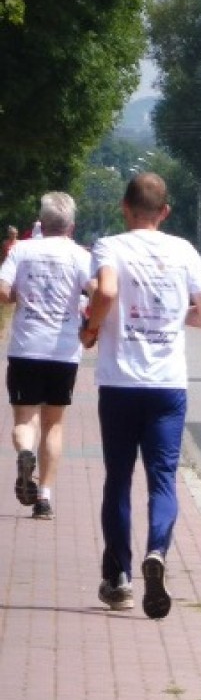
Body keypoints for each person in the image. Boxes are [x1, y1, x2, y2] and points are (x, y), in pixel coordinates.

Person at [81, 172, 201, 618]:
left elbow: (105, 290)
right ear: (165, 212)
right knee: (163, 479)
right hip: (167, 386)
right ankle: (157, 550)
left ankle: (119, 577)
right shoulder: (183, 251)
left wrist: (92, 327)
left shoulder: (110, 246)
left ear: (124, 207)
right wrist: (173, 317)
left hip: (120, 384)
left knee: (117, 479)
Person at [0, 194, 93, 520]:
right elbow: (97, 291)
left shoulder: (23, 250)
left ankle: (26, 452)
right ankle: (44, 497)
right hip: (64, 350)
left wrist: (17, 297)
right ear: (71, 225)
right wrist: (90, 326)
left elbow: (2, 289)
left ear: (41, 221)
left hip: (26, 347)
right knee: (54, 424)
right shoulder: (80, 255)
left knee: (25, 420)